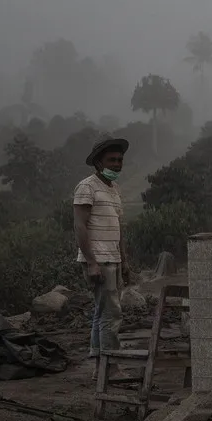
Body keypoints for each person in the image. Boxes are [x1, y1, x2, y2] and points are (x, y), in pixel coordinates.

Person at [73, 136, 131, 379]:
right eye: (111, 160)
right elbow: (80, 226)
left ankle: (100, 367)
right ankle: (111, 367)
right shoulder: (87, 187)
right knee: (111, 314)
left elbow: (118, 227)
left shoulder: (114, 189)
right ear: (98, 162)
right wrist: (92, 262)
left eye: (119, 160)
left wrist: (124, 261)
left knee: (102, 312)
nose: (117, 164)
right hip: (99, 260)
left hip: (113, 258)